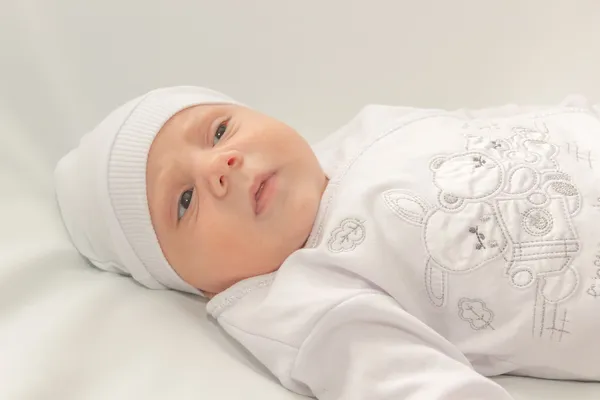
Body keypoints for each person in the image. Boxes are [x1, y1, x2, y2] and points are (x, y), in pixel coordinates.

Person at [54, 86, 600, 399]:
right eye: (183, 202)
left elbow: (492, 127)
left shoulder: (368, 131)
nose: (220, 166)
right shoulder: (303, 298)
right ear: (191, 282)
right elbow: (410, 385)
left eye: (219, 131)